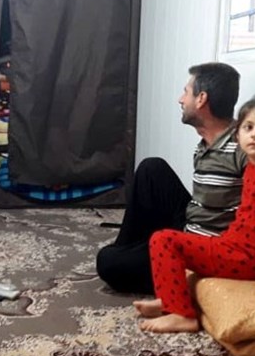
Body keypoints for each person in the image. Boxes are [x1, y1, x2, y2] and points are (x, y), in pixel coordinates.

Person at [136, 97, 255, 333]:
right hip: (234, 245)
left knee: (163, 240)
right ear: (238, 135)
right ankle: (170, 301)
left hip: (249, 258)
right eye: (248, 128)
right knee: (168, 241)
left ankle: (182, 315)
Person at [96, 62, 246, 294]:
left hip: (209, 246)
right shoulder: (207, 143)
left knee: (109, 263)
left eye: (186, 92)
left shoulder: (245, 147)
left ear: (201, 99)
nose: (180, 99)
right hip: (193, 222)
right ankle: (127, 248)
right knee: (151, 168)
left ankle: (154, 266)